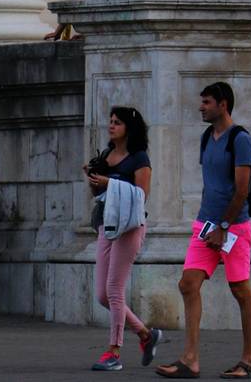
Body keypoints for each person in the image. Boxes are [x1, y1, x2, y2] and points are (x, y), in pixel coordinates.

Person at [156, 82, 251, 380]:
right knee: (188, 284)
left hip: (233, 227)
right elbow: (211, 184)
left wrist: (224, 227)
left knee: (240, 290)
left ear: (223, 105)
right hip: (206, 225)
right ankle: (190, 360)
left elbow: (242, 190)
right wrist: (209, 224)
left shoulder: (240, 139)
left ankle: (249, 360)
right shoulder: (206, 137)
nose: (201, 107)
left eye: (207, 102)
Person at [85, 106, 163, 372]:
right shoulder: (107, 154)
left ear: (130, 128)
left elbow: (142, 195)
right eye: (110, 121)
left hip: (129, 227)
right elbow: (98, 194)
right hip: (106, 224)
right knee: (102, 295)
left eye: (117, 122)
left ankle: (114, 352)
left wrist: (110, 183)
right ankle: (145, 335)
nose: (111, 125)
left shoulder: (140, 158)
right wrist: (94, 179)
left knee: (114, 290)